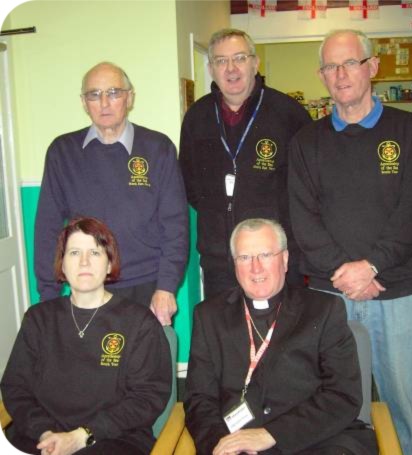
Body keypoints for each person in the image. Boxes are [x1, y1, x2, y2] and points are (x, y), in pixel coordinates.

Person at [288, 30, 412, 455]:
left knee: (400, 403)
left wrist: (370, 268)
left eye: (350, 62)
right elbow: (304, 220)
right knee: (335, 403)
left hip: (395, 292)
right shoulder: (306, 142)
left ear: (372, 67)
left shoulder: (408, 130)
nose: (341, 74)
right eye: (331, 66)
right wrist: (347, 274)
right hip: (329, 297)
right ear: (321, 76)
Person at [184, 218, 377, 455]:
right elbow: (199, 398)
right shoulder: (209, 316)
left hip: (314, 440)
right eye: (244, 257)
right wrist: (220, 445)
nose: (256, 268)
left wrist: (272, 434)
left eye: (265, 255)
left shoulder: (323, 309)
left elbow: (342, 395)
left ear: (284, 260)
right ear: (234, 264)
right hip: (238, 442)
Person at [1, 217, 171, 455]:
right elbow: (15, 387)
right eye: (74, 253)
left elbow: (147, 397)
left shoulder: (138, 323)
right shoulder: (38, 319)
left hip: (113, 440)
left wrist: (83, 436)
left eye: (94, 252)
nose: (84, 262)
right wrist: (45, 433)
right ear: (62, 265)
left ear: (110, 264)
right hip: (42, 439)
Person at [34, 62, 188, 325]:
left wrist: (166, 287)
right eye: (94, 94)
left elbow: (175, 225)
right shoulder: (62, 152)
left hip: (147, 286)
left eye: (114, 92)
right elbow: (47, 228)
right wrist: (48, 296)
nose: (104, 102)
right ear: (84, 102)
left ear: (129, 97)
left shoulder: (157, 148)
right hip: (86, 288)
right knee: (91, 365)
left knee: (148, 363)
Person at [179, 28, 312, 299]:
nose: (231, 68)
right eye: (221, 61)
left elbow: (308, 188)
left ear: (255, 62)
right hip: (220, 260)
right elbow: (191, 186)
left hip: (274, 259)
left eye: (239, 58)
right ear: (211, 68)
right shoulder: (198, 116)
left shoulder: (289, 114)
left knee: (282, 337)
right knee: (226, 335)